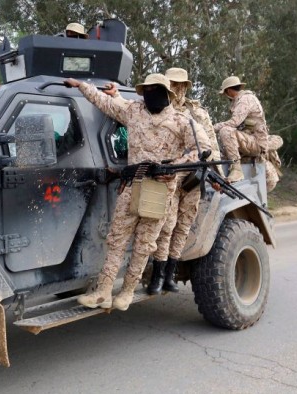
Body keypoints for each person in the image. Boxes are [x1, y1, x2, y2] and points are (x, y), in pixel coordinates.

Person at [64, 74, 210, 311]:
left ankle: (128, 292)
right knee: (116, 238)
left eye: (156, 89)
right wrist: (82, 86)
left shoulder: (182, 121)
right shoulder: (133, 111)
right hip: (133, 185)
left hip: (160, 190)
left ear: (167, 94)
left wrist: (175, 166)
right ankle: (103, 291)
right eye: (148, 89)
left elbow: (203, 150)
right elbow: (104, 102)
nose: (151, 93)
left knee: (145, 243)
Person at [148, 67, 219, 294]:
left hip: (192, 179)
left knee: (182, 227)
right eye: (173, 84)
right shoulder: (158, 109)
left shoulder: (198, 114)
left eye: (180, 85)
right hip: (169, 178)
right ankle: (157, 277)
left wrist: (217, 174)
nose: (177, 89)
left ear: (185, 86)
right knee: (165, 227)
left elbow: (212, 146)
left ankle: (170, 275)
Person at [214, 76, 269, 183]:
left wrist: (212, 128)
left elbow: (234, 122)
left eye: (225, 93)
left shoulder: (245, 99)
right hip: (250, 140)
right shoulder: (242, 99)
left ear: (229, 90)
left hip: (256, 142)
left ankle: (237, 170)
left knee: (225, 131)